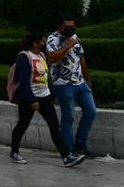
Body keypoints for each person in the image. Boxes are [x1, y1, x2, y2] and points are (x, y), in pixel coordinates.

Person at [9, 33, 85, 167]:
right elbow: (24, 81)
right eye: (42, 41)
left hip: (44, 96)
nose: (44, 43)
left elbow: (44, 77)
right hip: (29, 98)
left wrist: (49, 94)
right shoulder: (24, 57)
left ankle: (66, 156)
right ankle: (14, 151)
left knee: (54, 126)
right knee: (23, 124)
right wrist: (32, 100)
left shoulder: (42, 56)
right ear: (34, 43)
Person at [47, 18, 96, 157]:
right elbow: (52, 58)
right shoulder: (53, 39)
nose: (71, 29)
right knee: (68, 118)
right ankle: (68, 150)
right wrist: (67, 46)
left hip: (80, 82)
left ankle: (80, 145)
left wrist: (87, 78)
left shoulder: (75, 37)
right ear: (60, 27)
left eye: (73, 26)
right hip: (63, 84)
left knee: (90, 111)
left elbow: (81, 58)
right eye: (67, 26)